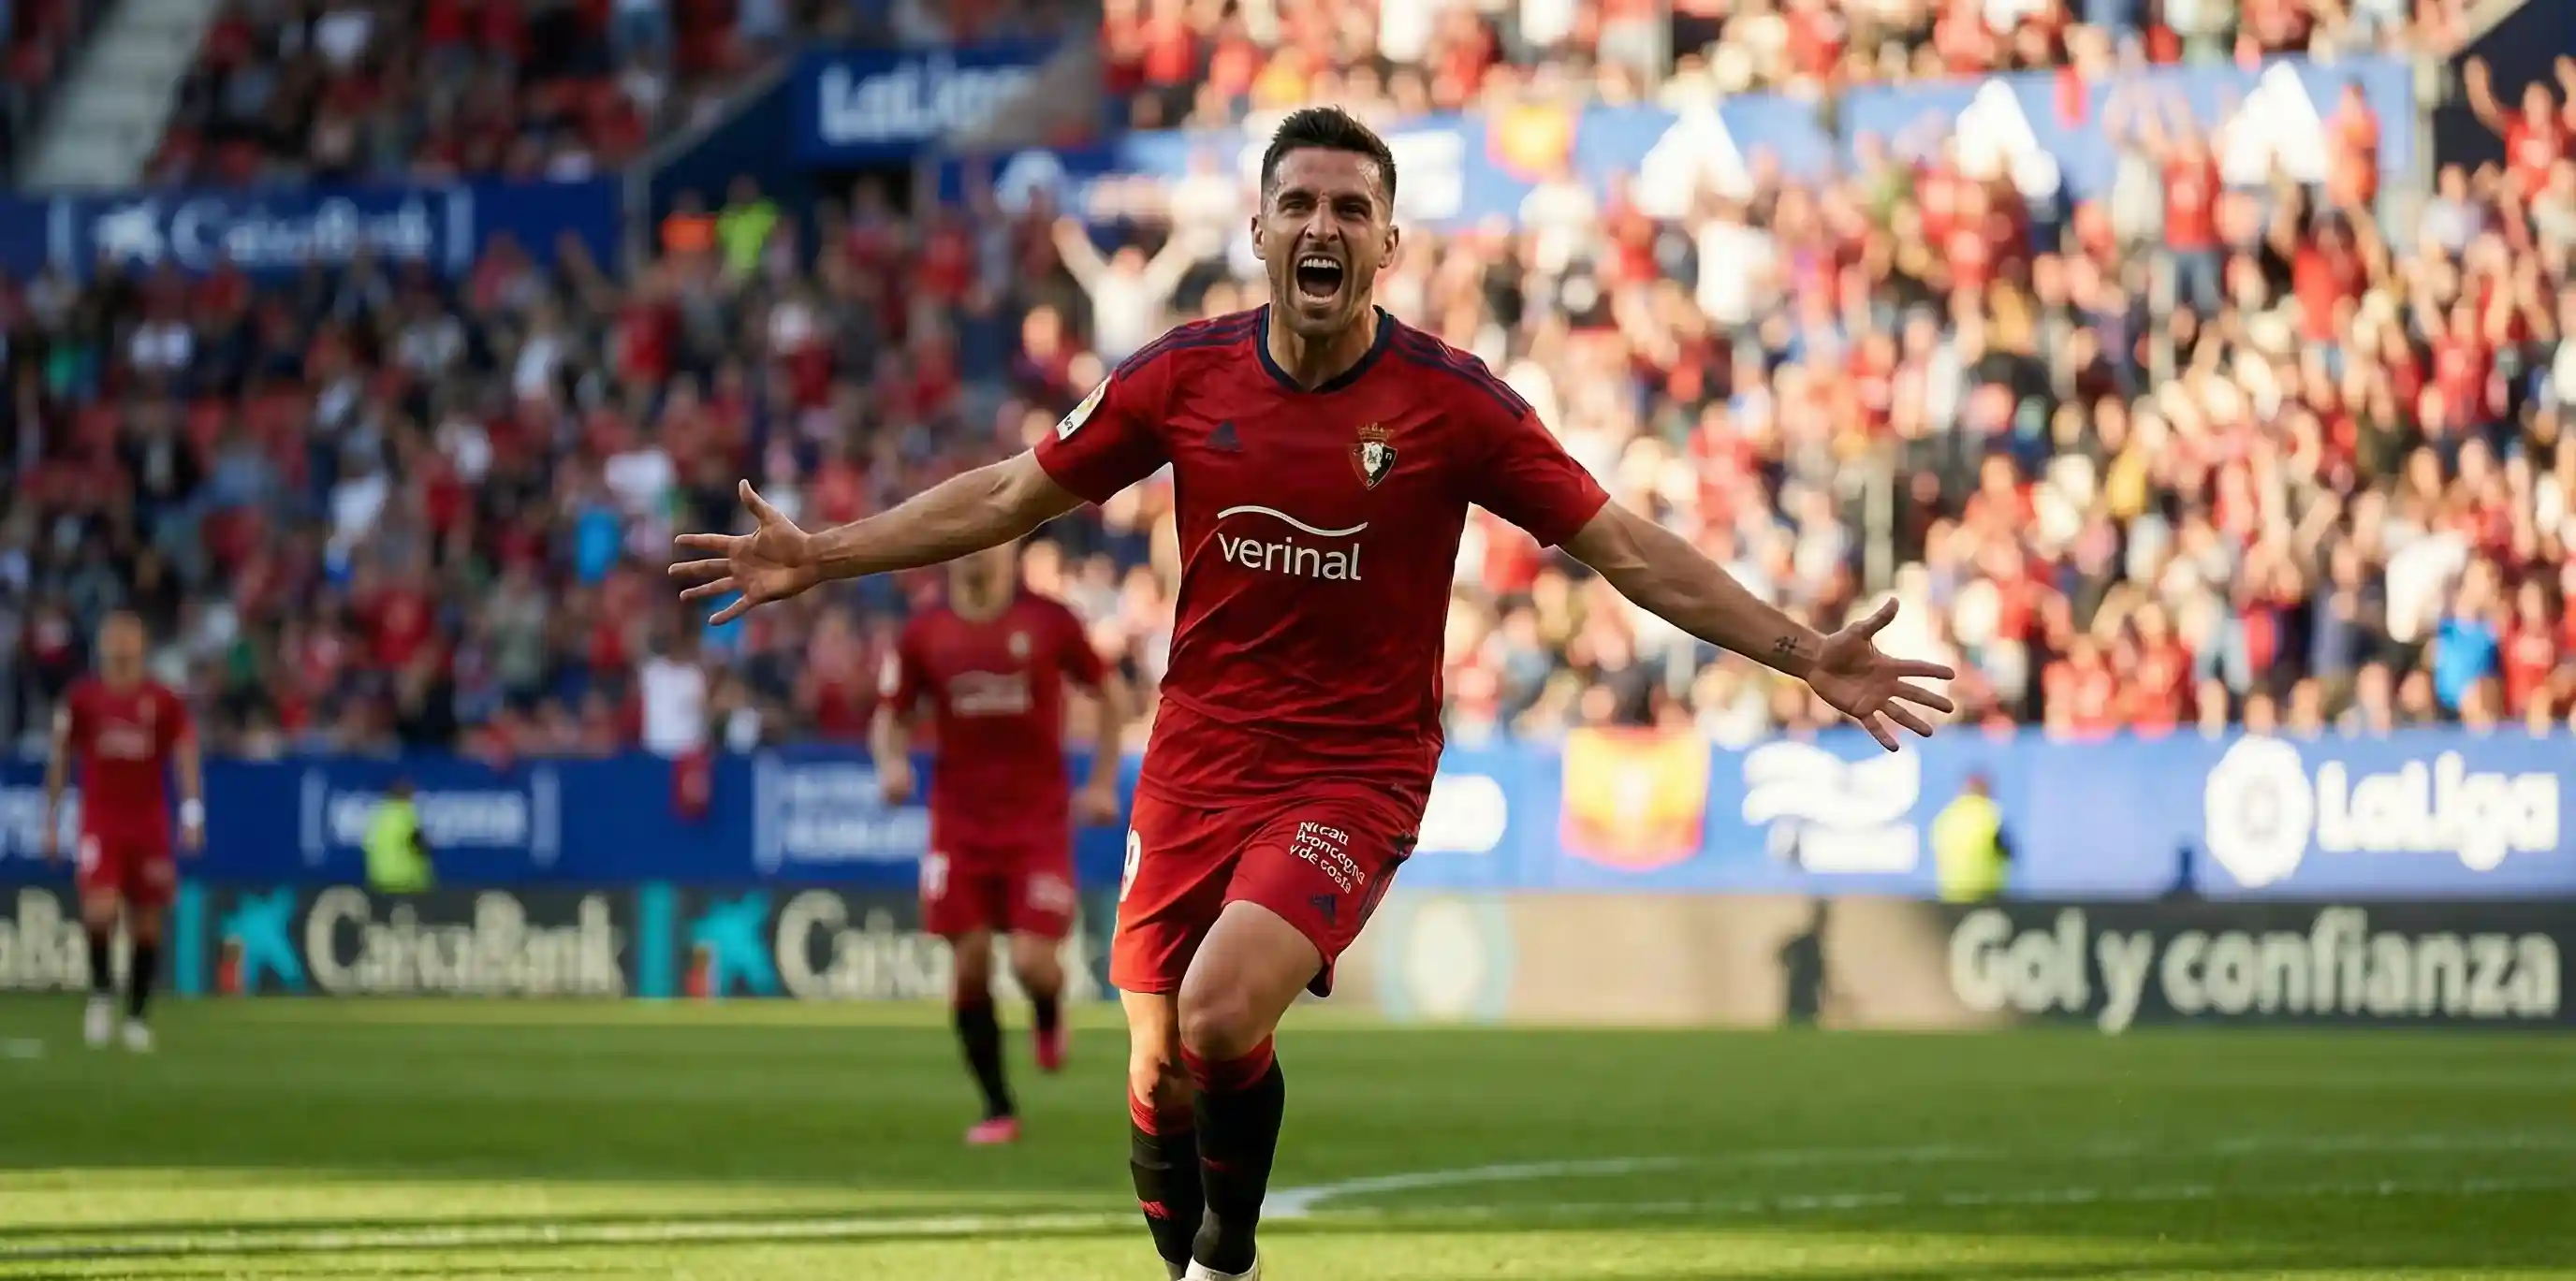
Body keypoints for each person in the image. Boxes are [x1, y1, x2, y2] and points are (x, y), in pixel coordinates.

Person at [670, 107, 1955, 1281]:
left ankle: (1227, 1260)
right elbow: (1012, 493)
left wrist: (1802, 650)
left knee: (1225, 1008)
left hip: (1353, 770)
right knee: (1159, 1067)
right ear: (1261, 230)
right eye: (1300, 204)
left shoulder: (1456, 408)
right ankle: (1192, 1261)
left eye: (1349, 208)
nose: (1323, 226)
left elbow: (1622, 547)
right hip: (1193, 762)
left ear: (1388, 240)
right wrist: (824, 553)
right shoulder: (1183, 379)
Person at [871, 541, 1132, 1145]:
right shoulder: (925, 631)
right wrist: (890, 763)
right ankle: (997, 1106)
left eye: (989, 541)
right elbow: (891, 714)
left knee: (1033, 961)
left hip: (1035, 820)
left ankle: (1048, 1010)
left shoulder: (1049, 621)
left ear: (1012, 550)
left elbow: (1111, 696)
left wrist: (1099, 783)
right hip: (959, 822)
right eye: (964, 542)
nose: (976, 555)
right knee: (968, 966)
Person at [42, 611, 204, 1052]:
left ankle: (135, 1016)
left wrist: (192, 812)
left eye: (128, 636)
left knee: (147, 925)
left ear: (143, 644)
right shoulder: (83, 698)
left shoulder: (162, 699)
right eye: (112, 636)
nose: (120, 644)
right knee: (100, 910)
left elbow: (185, 751)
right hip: (102, 821)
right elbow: (60, 758)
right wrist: (51, 821)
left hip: (149, 824)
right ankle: (99, 995)